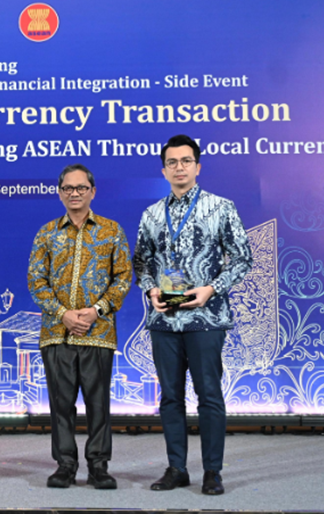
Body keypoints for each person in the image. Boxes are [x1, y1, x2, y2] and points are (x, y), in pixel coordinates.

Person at [133, 135, 252, 495]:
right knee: (170, 397)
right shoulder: (152, 214)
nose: (179, 167)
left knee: (209, 395)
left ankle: (212, 471)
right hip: (164, 320)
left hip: (207, 318)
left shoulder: (221, 208)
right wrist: (151, 290)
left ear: (198, 167)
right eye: (172, 162)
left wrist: (211, 288)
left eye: (186, 161)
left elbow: (242, 258)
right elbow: (140, 263)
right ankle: (176, 468)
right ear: (163, 170)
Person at [28, 164, 132, 490]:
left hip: (98, 333)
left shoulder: (111, 231)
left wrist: (96, 311)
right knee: (60, 404)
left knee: (98, 404)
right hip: (56, 333)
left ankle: (99, 466)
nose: (75, 193)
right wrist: (63, 314)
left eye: (81, 188)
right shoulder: (47, 233)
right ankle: (65, 465)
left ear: (93, 192)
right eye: (68, 188)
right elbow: (36, 281)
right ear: (60, 193)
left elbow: (123, 277)